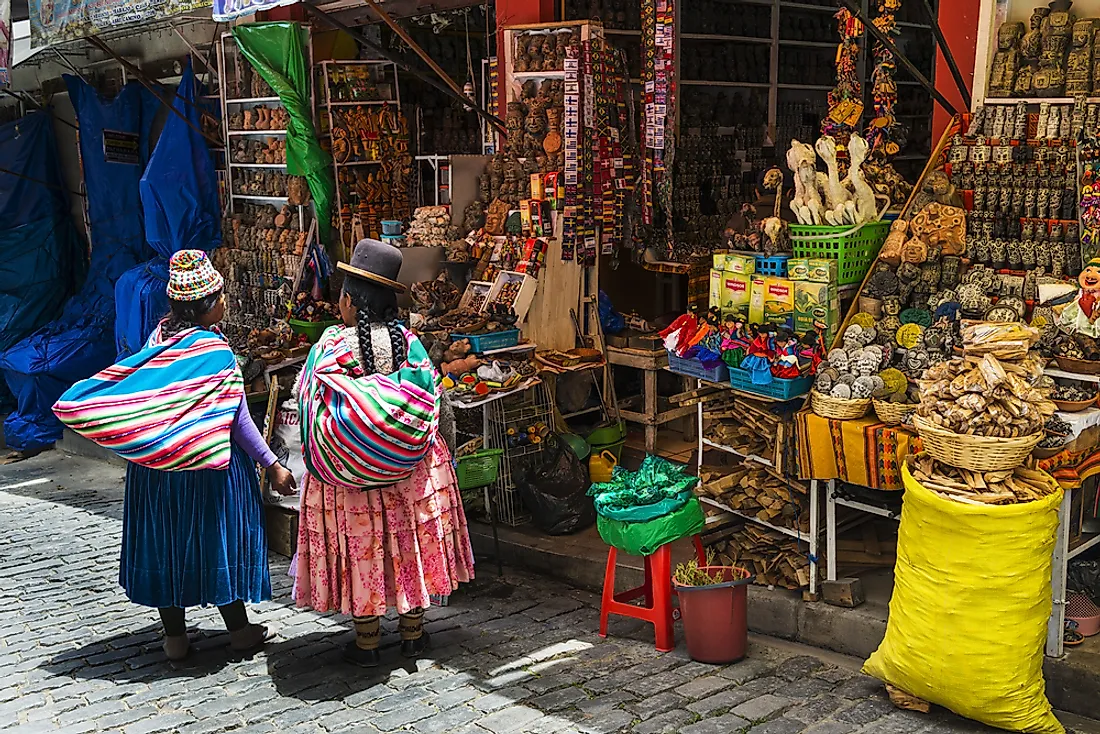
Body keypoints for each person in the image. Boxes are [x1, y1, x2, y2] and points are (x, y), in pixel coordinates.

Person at [53, 250, 296, 661]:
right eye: (221, 297)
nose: (225, 303)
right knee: (213, 540)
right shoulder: (214, 355)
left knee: (167, 543)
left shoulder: (155, 343)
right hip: (208, 470)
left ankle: (175, 639)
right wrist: (271, 465)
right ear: (210, 304)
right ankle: (239, 630)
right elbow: (238, 421)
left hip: (158, 472)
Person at [293, 238, 474, 667]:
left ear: (352, 301)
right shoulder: (407, 343)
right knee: (406, 543)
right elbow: (435, 403)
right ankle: (413, 634)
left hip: (349, 480)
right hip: (408, 472)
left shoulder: (331, 345)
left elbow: (307, 402)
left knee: (365, 550)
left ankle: (368, 642)